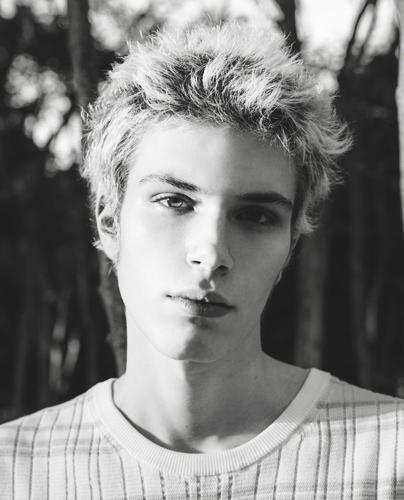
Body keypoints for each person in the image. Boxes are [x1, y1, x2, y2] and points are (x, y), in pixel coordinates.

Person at [1, 20, 403, 500]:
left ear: (290, 247)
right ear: (109, 223)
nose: (211, 254)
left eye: (255, 216)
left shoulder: (389, 456)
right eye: (174, 202)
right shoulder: (14, 471)